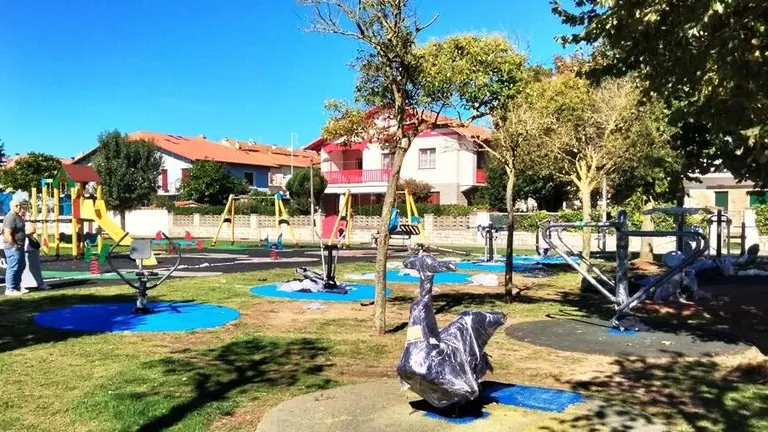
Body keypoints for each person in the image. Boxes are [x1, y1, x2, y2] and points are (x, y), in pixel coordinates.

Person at [3, 200, 27, 296]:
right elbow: (7, 234)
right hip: (13, 247)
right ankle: (10, 288)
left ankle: (16, 287)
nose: (19, 207)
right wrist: (14, 245)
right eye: (16, 205)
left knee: (21, 266)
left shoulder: (17, 216)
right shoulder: (10, 217)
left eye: (19, 205)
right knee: (13, 267)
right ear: (11, 206)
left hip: (20, 246)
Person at [21, 222, 50, 291]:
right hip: (25, 248)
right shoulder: (16, 219)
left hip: (32, 249)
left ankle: (39, 284)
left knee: (36, 267)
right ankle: (23, 285)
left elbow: (32, 230)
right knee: (24, 268)